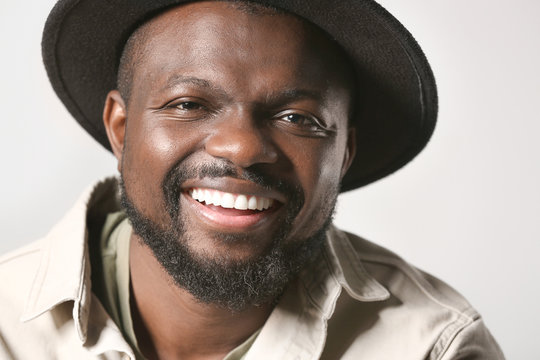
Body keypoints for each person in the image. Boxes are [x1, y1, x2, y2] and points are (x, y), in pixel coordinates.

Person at [0, 0, 505, 359]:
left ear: (344, 151)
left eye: (297, 118)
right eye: (189, 105)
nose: (241, 147)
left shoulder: (433, 348)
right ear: (122, 127)